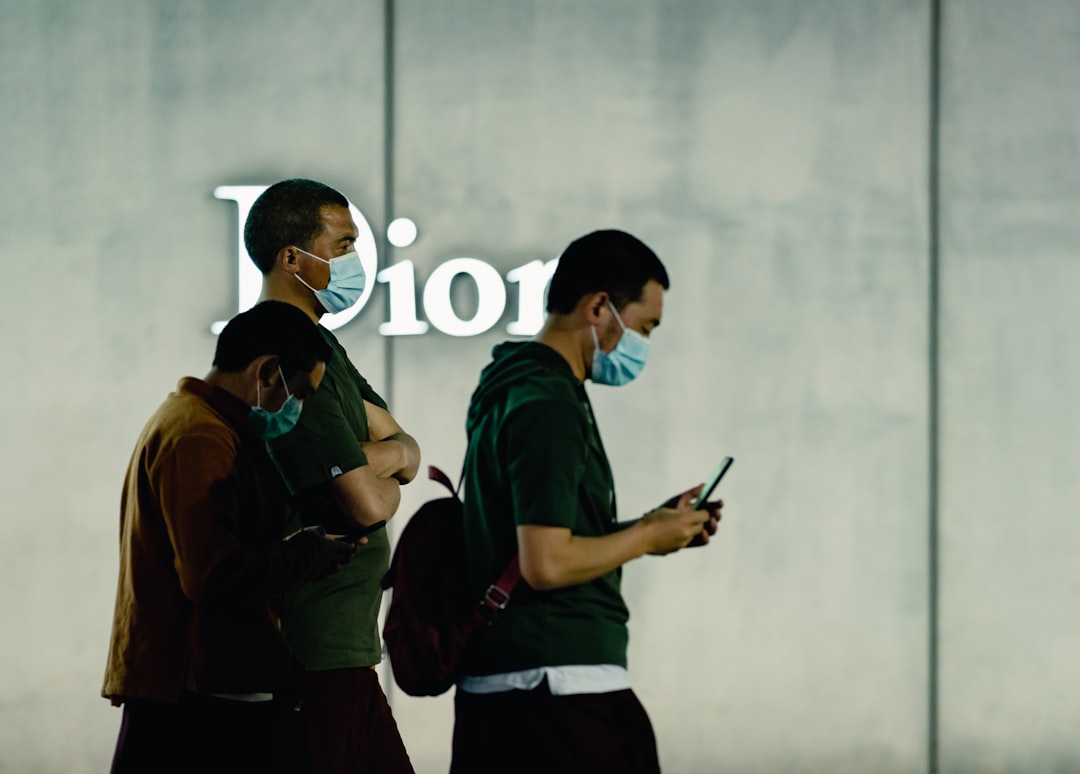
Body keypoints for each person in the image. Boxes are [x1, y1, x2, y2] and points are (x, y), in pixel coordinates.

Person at [451, 229, 724, 774]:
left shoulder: (513, 385)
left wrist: (653, 526)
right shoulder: (548, 400)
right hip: (555, 690)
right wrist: (646, 537)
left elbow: (540, 536)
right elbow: (547, 563)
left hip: (523, 688)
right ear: (599, 306)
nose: (644, 344)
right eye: (645, 327)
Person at [102, 300, 359, 774]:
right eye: (297, 394)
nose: (295, 411)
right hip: (199, 701)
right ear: (266, 372)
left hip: (205, 691)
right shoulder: (200, 437)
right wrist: (308, 553)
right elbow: (212, 573)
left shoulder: (206, 426)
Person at [246, 178, 421, 773]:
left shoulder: (323, 346)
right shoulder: (282, 350)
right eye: (342, 246)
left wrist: (374, 457)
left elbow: (408, 445)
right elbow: (364, 505)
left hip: (343, 658)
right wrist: (379, 462)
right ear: (292, 257)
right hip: (312, 660)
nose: (355, 261)